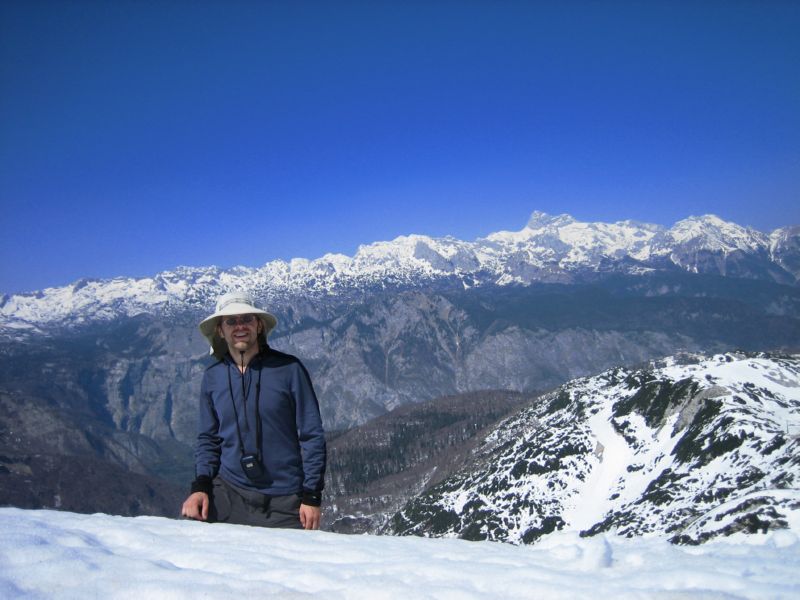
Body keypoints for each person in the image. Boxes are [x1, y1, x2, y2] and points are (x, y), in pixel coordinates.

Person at [181, 291, 326, 529]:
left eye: (247, 319)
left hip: (285, 499)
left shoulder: (289, 369)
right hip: (229, 492)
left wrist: (311, 495)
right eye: (231, 321)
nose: (240, 326)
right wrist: (201, 487)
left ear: (258, 326)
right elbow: (208, 438)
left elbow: (312, 435)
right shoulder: (212, 378)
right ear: (220, 330)